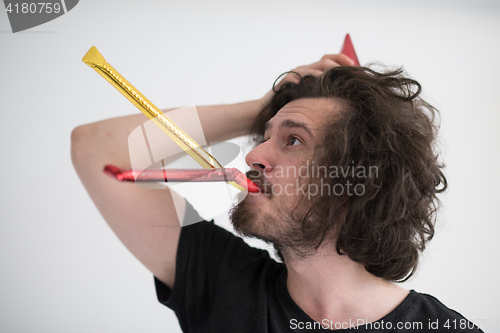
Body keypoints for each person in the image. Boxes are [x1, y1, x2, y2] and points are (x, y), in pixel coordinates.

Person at [71, 54, 483, 332]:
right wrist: (267, 105)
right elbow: (96, 149)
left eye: (294, 141)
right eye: (264, 136)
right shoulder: (223, 284)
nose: (253, 155)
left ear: (359, 181)